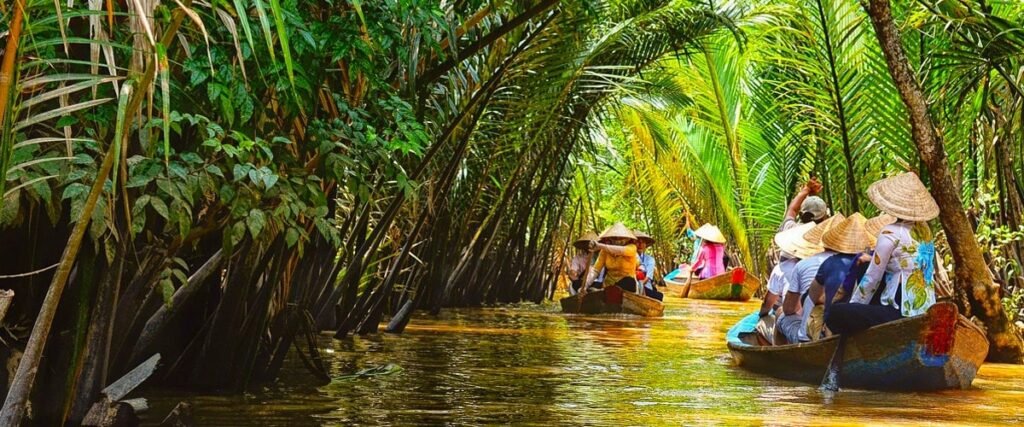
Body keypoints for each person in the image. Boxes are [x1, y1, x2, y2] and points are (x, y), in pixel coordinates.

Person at [827, 172, 941, 336]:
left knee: (835, 312)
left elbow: (872, 277)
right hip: (926, 308)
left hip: (900, 312)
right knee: (865, 265)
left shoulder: (890, 232)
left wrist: (855, 307)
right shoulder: (925, 231)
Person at [776, 214, 845, 344]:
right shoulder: (857, 262)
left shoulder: (803, 264)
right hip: (841, 332)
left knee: (780, 313)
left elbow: (789, 309)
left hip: (808, 336)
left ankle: (776, 356)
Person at [805, 214, 873, 340]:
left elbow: (813, 296)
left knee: (815, 315)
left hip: (838, 325)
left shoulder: (830, 263)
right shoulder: (875, 262)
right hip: (866, 322)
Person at [755, 222, 817, 344]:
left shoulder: (785, 268)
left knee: (776, 315)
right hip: (820, 325)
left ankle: (777, 351)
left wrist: (761, 315)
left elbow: (769, 304)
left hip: (801, 329)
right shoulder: (826, 263)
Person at [584, 223, 640, 294]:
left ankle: (605, 291)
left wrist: (600, 246)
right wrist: (585, 285)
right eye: (614, 238)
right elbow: (595, 270)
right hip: (608, 285)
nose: (617, 240)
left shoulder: (632, 248)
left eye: (621, 238)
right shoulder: (604, 251)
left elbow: (621, 250)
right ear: (610, 238)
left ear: (627, 239)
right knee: (578, 284)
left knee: (629, 281)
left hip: (626, 286)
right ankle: (606, 291)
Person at [633, 230, 664, 301]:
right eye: (638, 242)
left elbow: (648, 278)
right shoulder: (629, 257)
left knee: (660, 296)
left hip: (645, 286)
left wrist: (639, 286)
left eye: (643, 242)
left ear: (645, 245)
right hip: (632, 284)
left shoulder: (650, 259)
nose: (640, 245)